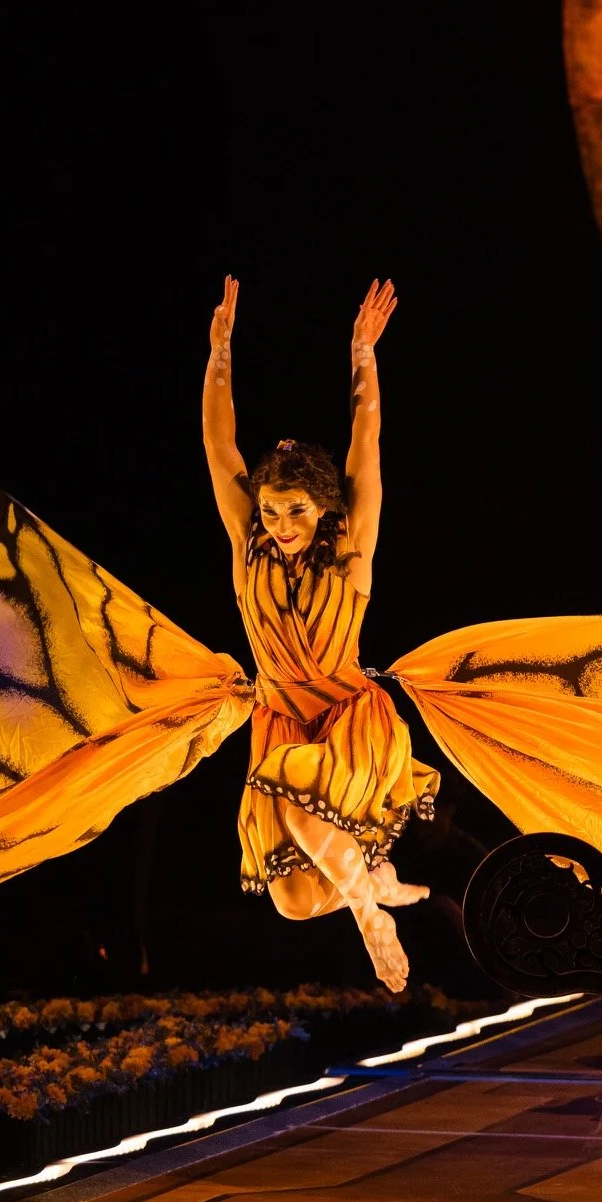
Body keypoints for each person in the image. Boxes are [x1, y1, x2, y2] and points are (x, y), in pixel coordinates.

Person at [200, 276, 438, 991]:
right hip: (279, 718)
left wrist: (363, 355)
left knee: (298, 798)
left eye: (296, 511)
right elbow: (218, 441)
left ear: (324, 506)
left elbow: (366, 437)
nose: (280, 525)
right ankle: (369, 880)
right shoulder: (248, 544)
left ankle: (370, 916)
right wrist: (219, 353)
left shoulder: (352, 542)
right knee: (295, 900)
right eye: (272, 511)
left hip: (348, 720)